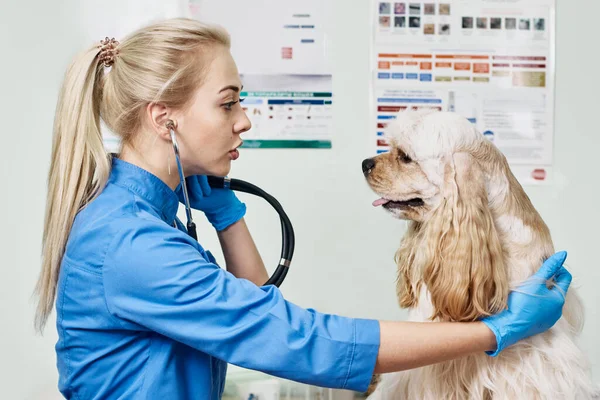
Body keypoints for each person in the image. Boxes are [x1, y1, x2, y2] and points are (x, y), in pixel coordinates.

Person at [34, 18, 572, 399]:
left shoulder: (149, 215)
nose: (244, 120)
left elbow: (247, 308)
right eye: (228, 103)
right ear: (163, 119)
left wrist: (226, 214)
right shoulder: (130, 244)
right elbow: (291, 338)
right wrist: (497, 331)